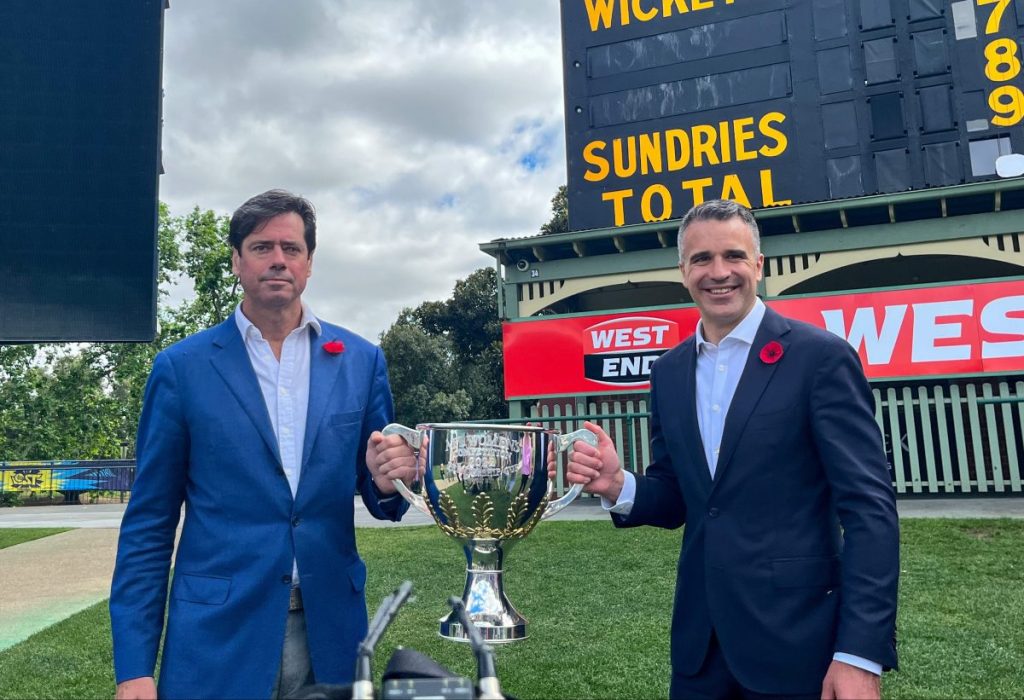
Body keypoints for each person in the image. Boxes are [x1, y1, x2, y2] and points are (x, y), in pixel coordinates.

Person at [557, 200, 899, 699]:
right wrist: (618, 484)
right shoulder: (669, 372)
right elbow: (682, 497)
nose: (718, 272)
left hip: (800, 646)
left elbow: (869, 511)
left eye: (733, 256)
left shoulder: (820, 359)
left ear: (758, 265)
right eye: (701, 259)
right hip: (700, 652)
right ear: (683, 271)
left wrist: (859, 654)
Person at [110, 189, 416, 700]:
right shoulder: (181, 370)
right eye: (261, 247)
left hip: (331, 635)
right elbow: (149, 524)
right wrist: (134, 668)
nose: (278, 259)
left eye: (291, 248)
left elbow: (383, 490)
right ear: (236, 260)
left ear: (309, 262)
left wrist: (387, 481)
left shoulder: (361, 362)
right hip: (218, 637)